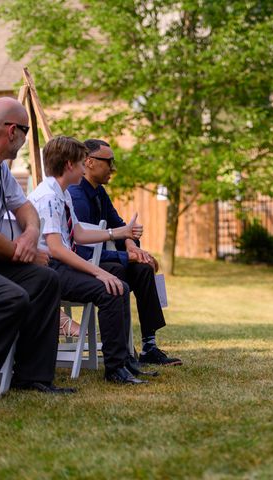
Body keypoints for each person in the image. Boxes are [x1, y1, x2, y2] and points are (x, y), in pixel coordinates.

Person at [28, 135, 148, 385]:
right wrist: (98, 272)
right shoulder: (48, 197)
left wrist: (119, 233)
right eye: (83, 163)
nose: (85, 168)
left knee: (117, 285)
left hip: (59, 265)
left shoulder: (61, 193)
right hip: (48, 270)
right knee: (111, 289)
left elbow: (78, 233)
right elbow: (56, 249)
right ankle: (115, 369)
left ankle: (122, 362)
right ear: (70, 165)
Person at [0, 97, 73, 395]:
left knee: (45, 279)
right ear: (13, 131)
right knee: (10, 296)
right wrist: (25, 253)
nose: (26, 140)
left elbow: (26, 208)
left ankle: (32, 377)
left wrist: (30, 235)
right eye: (27, 132)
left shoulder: (0, 167)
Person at [68, 139, 182, 366]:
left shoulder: (99, 192)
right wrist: (124, 255)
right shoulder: (77, 197)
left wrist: (132, 247)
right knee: (120, 268)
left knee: (143, 268)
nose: (113, 168)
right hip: (80, 266)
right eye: (108, 162)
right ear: (89, 162)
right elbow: (83, 253)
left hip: (102, 261)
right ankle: (121, 352)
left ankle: (149, 345)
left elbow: (119, 226)